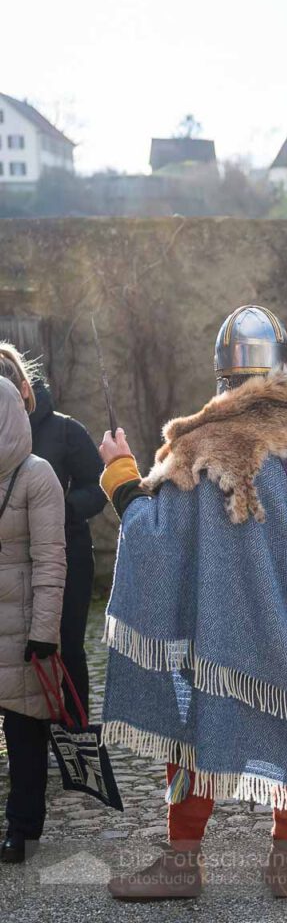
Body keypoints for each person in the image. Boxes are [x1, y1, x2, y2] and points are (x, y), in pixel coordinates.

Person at [99, 306, 287, 900]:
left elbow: (154, 539)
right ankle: (285, 858)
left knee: (191, 732)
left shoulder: (197, 449)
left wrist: (119, 473)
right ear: (280, 370)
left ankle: (183, 861)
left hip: (216, 634)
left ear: (223, 377)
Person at [0, 344, 106, 719]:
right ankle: (25, 737)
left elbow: (99, 486)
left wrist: (58, 510)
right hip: (12, 565)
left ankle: (75, 734)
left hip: (68, 558)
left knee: (68, 649)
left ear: (25, 388)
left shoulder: (65, 430)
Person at [0, 377, 66, 864]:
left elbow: (50, 560)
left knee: (24, 733)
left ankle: (22, 828)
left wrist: (44, 633)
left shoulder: (35, 474)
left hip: (21, 626)